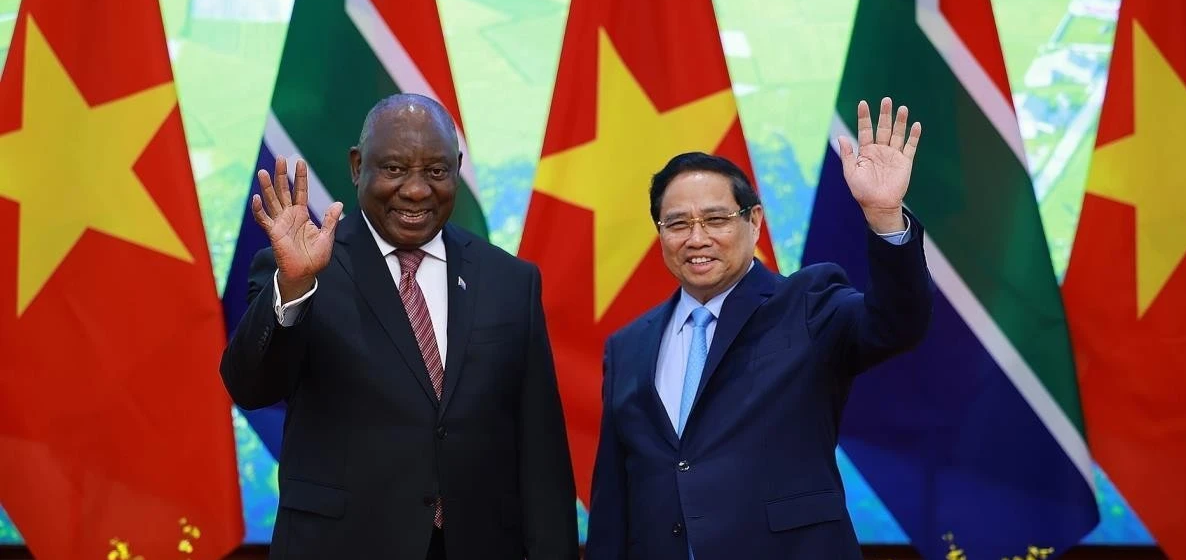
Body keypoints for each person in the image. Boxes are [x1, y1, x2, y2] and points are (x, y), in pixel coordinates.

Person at [220, 94, 578, 560]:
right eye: (393, 169)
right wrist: (293, 287)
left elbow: (541, 452)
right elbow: (251, 387)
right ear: (357, 166)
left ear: (458, 168)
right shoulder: (303, 269)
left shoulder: (509, 280)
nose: (416, 190)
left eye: (436, 171)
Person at [585, 98, 933, 560]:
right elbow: (615, 494)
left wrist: (885, 217)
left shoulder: (807, 304)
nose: (697, 238)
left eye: (716, 219)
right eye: (678, 224)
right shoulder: (630, 344)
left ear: (753, 221)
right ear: (661, 233)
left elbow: (897, 323)